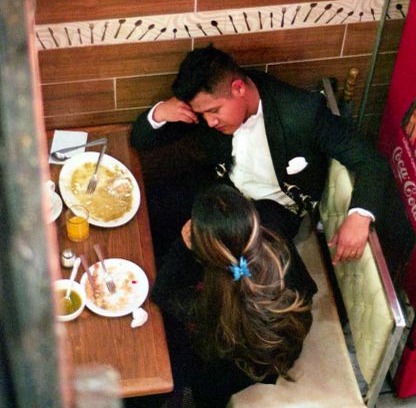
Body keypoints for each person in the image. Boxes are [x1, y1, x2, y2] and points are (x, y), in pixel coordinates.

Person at [131, 44, 391, 265]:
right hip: (220, 190)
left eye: (214, 111)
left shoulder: (302, 113)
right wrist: (160, 112)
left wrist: (360, 216)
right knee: (150, 207)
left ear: (238, 89)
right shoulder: (206, 105)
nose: (208, 122)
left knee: (204, 257)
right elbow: (139, 140)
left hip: (272, 213)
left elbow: (370, 160)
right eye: (202, 114)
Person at [127, 183, 315, 408]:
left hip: (241, 365)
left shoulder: (216, 304)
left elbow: (163, 294)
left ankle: (176, 404)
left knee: (171, 353)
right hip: (281, 336)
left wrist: (183, 247)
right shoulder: (272, 234)